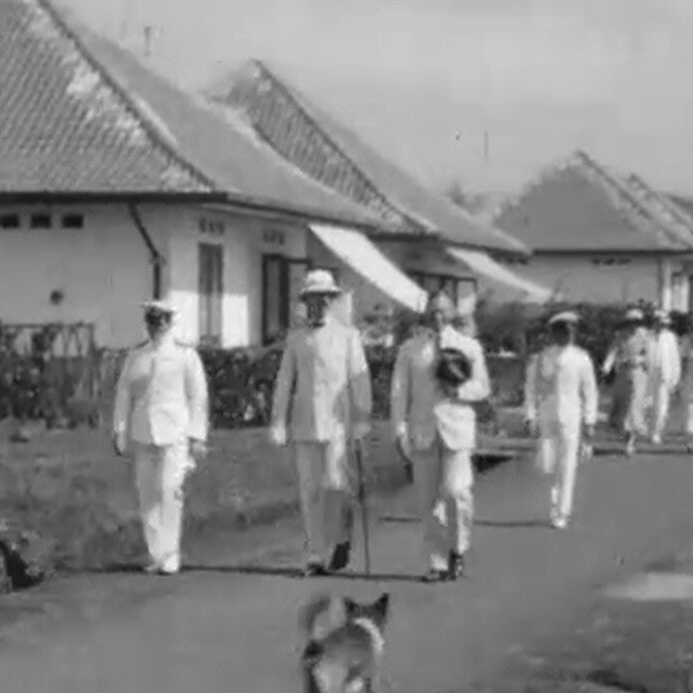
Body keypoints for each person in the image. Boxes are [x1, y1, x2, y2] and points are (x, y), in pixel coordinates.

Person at [270, 270, 372, 577]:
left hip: (338, 423)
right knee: (310, 491)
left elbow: (360, 381)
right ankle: (316, 555)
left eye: (324, 298)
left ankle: (340, 538)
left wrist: (361, 418)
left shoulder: (348, 336)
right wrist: (278, 421)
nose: (319, 304)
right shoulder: (297, 338)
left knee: (335, 486)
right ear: (306, 302)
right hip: (305, 423)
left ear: (331, 300)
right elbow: (284, 381)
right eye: (313, 299)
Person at [391, 291, 490, 582]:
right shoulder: (410, 349)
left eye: (443, 311)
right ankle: (438, 561)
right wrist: (399, 429)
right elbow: (399, 392)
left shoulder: (468, 346)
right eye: (433, 311)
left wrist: (458, 391)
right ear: (425, 313)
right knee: (428, 502)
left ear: (451, 313)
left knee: (457, 491)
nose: (438, 316)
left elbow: (482, 387)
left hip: (457, 428)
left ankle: (458, 549)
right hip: (423, 429)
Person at [112, 299, 209, 575]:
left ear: (170, 322)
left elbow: (197, 396)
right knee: (148, 495)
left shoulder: (185, 355)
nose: (157, 325)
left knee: (169, 490)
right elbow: (124, 394)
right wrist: (120, 430)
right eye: (152, 320)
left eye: (162, 320)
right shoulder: (136, 356)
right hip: (143, 430)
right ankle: (156, 554)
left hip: (174, 432)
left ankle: (170, 553)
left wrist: (197, 436)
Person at [524, 311, 597, 530]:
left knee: (567, 464)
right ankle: (555, 503)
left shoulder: (581, 358)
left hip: (571, 415)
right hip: (548, 415)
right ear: (554, 333)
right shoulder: (542, 358)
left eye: (571, 330)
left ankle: (561, 511)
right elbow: (531, 388)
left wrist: (590, 419)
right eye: (563, 330)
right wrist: (530, 415)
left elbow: (590, 390)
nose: (568, 334)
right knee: (548, 462)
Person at [601, 308, 651, 456]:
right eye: (631, 322)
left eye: (636, 322)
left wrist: (641, 360)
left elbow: (649, 355)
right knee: (623, 405)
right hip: (623, 373)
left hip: (638, 374)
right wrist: (606, 367)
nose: (633, 325)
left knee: (634, 407)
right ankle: (626, 437)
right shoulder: (620, 336)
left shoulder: (645, 336)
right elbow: (612, 352)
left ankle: (631, 441)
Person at [648, 309, 681, 444]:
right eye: (659, 323)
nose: (661, 326)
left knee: (662, 406)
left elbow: (674, 358)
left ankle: (657, 433)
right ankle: (646, 430)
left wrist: (675, 378)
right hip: (648, 375)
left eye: (663, 324)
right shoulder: (648, 336)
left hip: (664, 375)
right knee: (648, 404)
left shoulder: (670, 337)